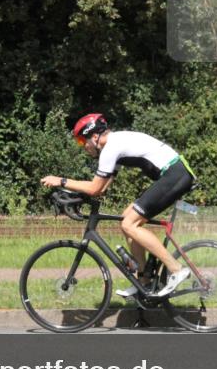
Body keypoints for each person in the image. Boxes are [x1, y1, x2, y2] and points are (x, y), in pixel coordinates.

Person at [40, 113, 196, 297]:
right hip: (174, 174)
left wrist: (61, 181)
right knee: (126, 218)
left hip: (175, 174)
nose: (83, 147)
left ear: (95, 137)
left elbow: (94, 188)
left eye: (83, 141)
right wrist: (78, 195)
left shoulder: (110, 148)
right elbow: (102, 188)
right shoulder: (115, 145)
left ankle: (176, 269)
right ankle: (144, 282)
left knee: (130, 224)